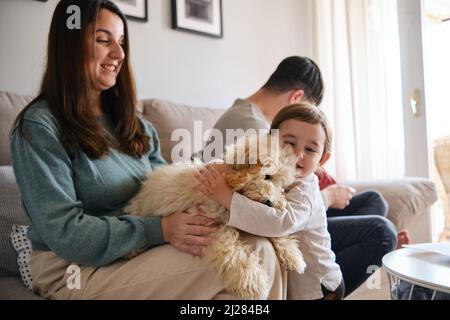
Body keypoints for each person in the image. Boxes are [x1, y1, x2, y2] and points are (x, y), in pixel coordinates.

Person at [9, 0, 285, 300]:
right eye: (103, 40)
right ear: (70, 45)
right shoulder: (39, 127)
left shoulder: (135, 124)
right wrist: (160, 230)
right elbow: (66, 234)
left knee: (259, 249)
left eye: (122, 42)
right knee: (241, 266)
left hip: (135, 252)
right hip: (73, 267)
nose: (119, 54)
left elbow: (162, 189)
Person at [201, 56, 398, 295]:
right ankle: (358, 260)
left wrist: (324, 194)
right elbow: (271, 199)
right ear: (296, 98)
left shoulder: (246, 114)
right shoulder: (257, 129)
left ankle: (332, 254)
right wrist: (325, 198)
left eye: (310, 148)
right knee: (381, 232)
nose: (297, 153)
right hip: (280, 217)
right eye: (306, 106)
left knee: (374, 201)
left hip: (298, 213)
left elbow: (298, 183)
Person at [196, 103, 345, 300]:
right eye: (290, 143)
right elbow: (237, 164)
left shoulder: (306, 190)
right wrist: (219, 169)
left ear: (323, 159)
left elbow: (279, 222)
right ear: (270, 140)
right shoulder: (269, 167)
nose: (298, 155)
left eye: (310, 149)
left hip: (318, 287)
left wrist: (227, 198)